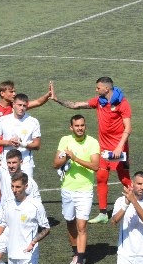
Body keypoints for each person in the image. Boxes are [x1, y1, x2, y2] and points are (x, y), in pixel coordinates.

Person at [50, 77, 131, 223]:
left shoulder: (122, 104)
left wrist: (120, 147)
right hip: (104, 147)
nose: (96, 90)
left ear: (106, 88)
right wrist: (57, 99)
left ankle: (139, 200)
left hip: (119, 148)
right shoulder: (99, 101)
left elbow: (128, 128)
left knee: (123, 178)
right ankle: (103, 214)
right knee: (101, 177)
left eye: (98, 88)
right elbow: (76, 105)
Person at [0, 80, 51, 208]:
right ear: (2, 93)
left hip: (25, 161)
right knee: (3, 187)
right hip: (2, 157)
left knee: (26, 190)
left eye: (14, 91)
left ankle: (28, 215)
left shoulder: (28, 117)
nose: (14, 93)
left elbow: (38, 102)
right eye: (11, 91)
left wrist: (48, 95)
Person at [52, 114, 100, 264]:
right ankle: (75, 251)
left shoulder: (92, 142)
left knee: (82, 226)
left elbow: (95, 166)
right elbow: (55, 164)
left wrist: (75, 158)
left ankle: (80, 260)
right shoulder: (65, 140)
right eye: (77, 126)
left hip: (84, 191)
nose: (80, 128)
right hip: (67, 189)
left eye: (82, 125)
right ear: (71, 127)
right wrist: (65, 158)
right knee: (70, 222)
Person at [0, 94, 41, 179]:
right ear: (13, 104)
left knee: (26, 187)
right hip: (7, 164)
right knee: (7, 187)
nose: (21, 108)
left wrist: (22, 144)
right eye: (19, 105)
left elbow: (37, 145)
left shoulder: (33, 122)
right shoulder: (3, 120)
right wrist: (9, 142)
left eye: (24, 106)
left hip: (26, 164)